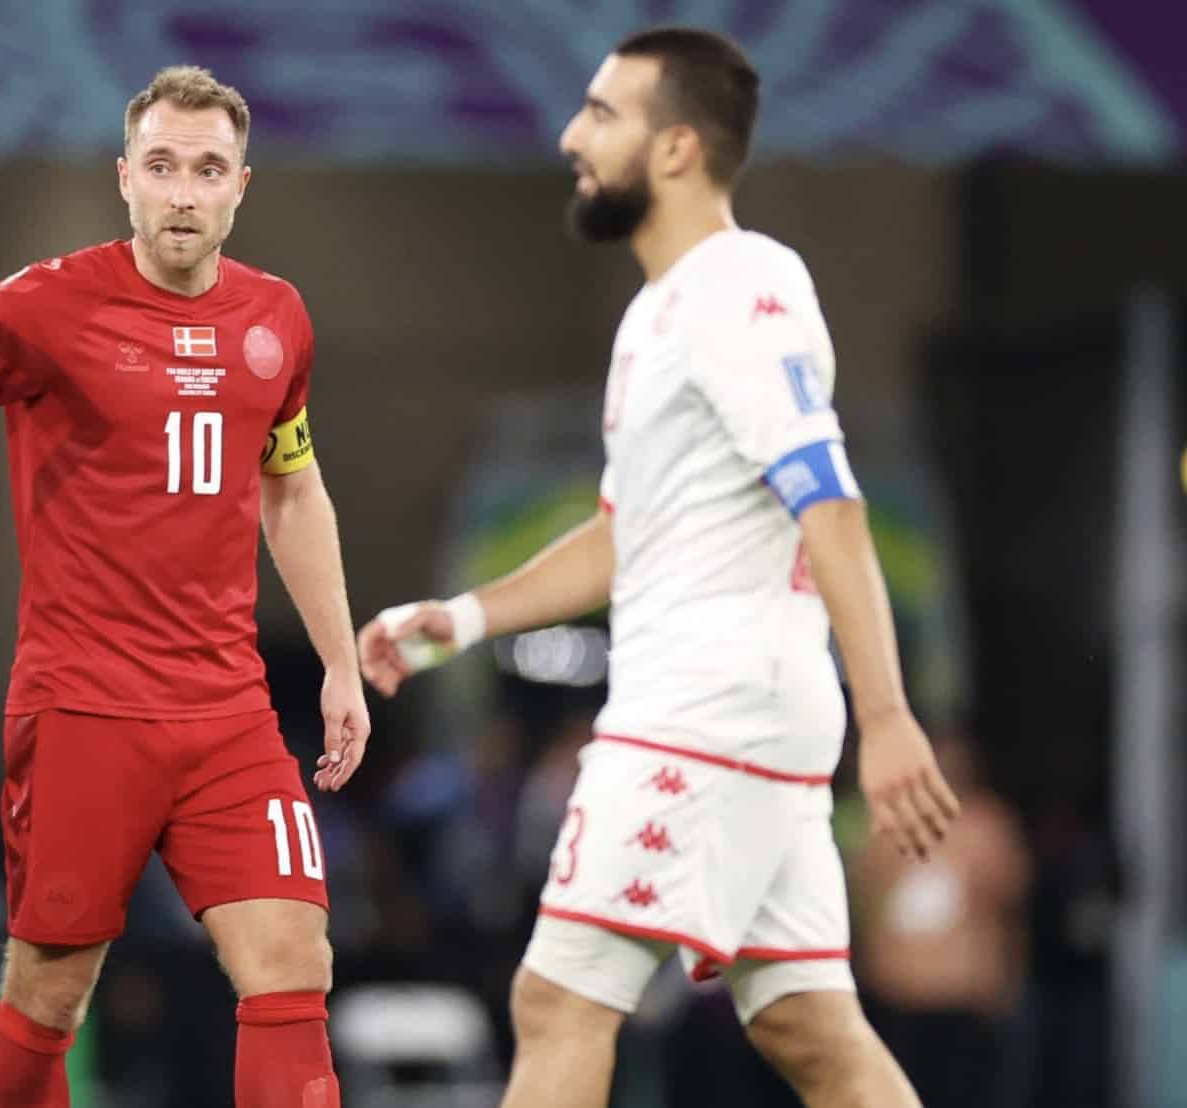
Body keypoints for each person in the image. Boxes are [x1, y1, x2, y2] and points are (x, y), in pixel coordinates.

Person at [356, 27, 961, 1108]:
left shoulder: (741, 288)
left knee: (558, 1002)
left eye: (600, 114)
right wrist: (463, 616)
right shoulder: (657, 313)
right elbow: (622, 532)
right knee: (809, 1028)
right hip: (742, 715)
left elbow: (829, 500)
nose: (569, 137)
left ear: (676, 147)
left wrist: (887, 716)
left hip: (701, 712)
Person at [0, 65, 369, 1108]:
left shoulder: (277, 319)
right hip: (83, 711)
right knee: (50, 994)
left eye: (208, 170)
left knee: (292, 963)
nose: (182, 192)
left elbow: (292, 489)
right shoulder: (42, 306)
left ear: (240, 188)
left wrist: (339, 664)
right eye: (161, 166)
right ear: (124, 178)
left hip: (228, 715)